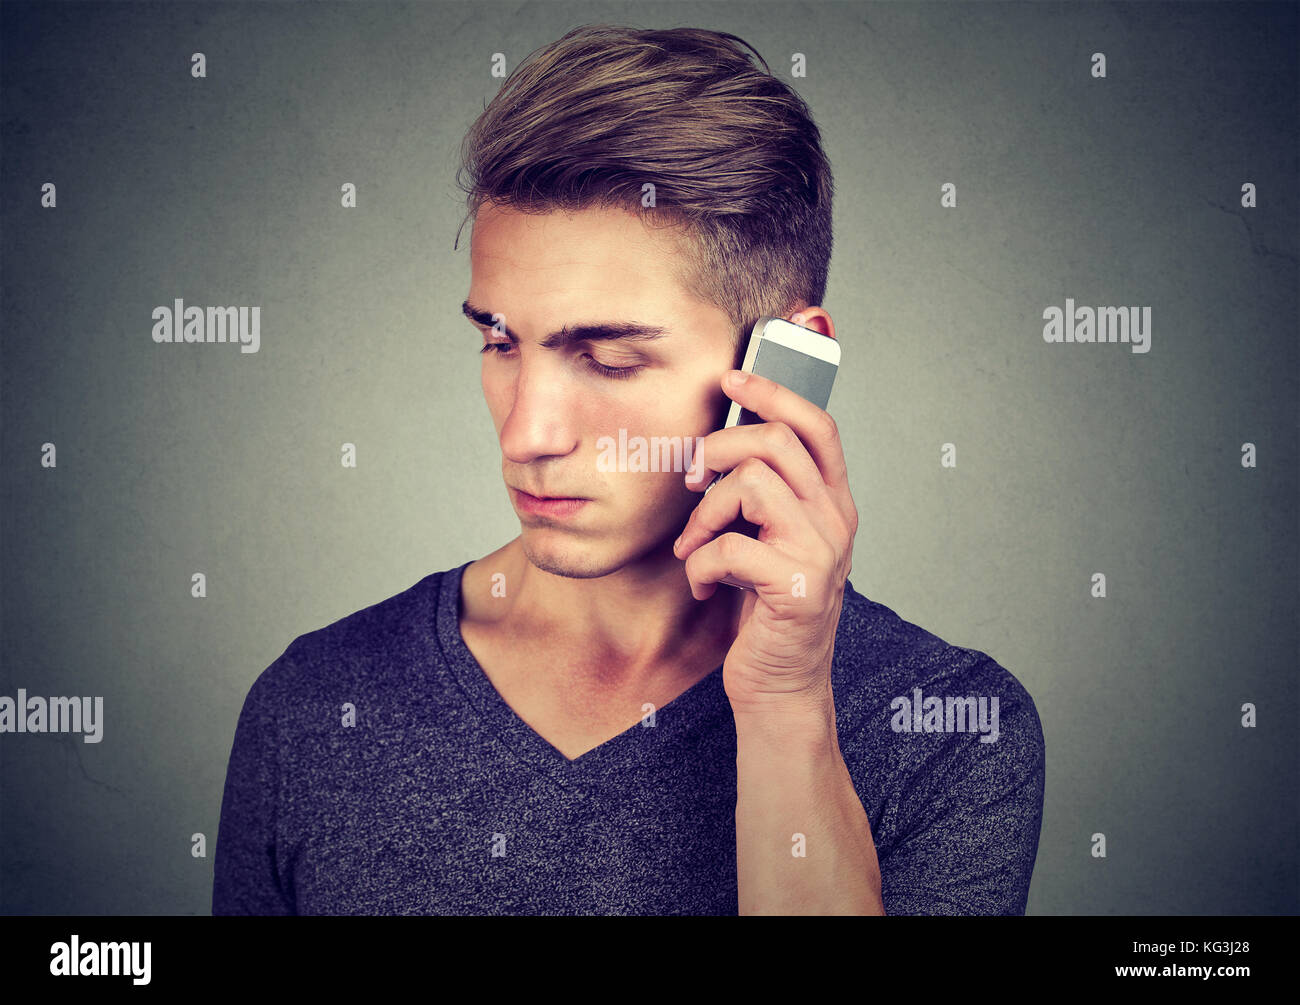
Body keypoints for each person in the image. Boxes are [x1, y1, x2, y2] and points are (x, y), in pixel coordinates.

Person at [213, 24, 1045, 916]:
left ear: (782, 367)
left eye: (607, 356)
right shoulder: (315, 706)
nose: (526, 431)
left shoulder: (950, 731)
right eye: (500, 341)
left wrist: (785, 705)